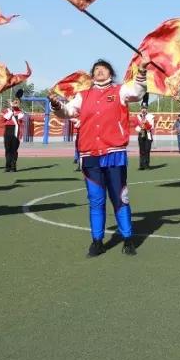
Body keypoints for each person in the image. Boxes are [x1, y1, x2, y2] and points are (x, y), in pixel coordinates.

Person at [49, 58, 147, 257]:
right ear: (92, 75)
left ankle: (128, 239)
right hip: (89, 154)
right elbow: (67, 112)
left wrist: (142, 70)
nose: (99, 71)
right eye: (96, 69)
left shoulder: (120, 90)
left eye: (103, 69)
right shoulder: (82, 96)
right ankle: (97, 241)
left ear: (111, 73)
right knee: (96, 200)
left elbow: (137, 92)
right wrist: (56, 105)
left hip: (114, 154)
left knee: (120, 198)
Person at [2, 98, 26, 172]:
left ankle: (13, 167)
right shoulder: (6, 110)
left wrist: (14, 109)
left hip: (16, 130)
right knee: (7, 149)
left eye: (17, 102)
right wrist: (11, 109)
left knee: (14, 149)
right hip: (8, 130)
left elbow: (19, 117)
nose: (15, 103)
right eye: (14, 102)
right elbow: (6, 117)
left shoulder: (20, 112)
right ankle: (7, 166)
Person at [134, 102, 154, 170]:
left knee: (147, 150)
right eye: (142, 108)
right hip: (141, 132)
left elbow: (151, 127)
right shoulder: (138, 116)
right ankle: (141, 165)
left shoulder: (151, 116)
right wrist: (140, 129)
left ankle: (147, 165)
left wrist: (146, 123)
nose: (143, 109)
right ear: (140, 108)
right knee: (141, 150)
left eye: (145, 108)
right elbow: (135, 125)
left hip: (148, 133)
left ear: (147, 109)